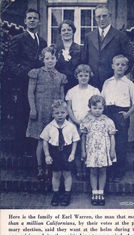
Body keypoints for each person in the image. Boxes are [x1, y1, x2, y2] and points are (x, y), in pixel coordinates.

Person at [2, 8, 47, 156]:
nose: (32, 20)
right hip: (23, 84)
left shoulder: (43, 42)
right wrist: (25, 73)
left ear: (39, 22)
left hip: (39, 86)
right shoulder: (18, 39)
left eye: (35, 18)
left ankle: (33, 148)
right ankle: (20, 150)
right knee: (22, 114)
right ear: (25, 21)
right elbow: (10, 63)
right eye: (30, 18)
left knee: (36, 115)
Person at [26, 45, 67, 180]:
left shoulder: (61, 76)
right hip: (40, 111)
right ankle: (40, 167)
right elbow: (30, 93)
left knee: (53, 140)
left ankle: (51, 168)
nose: (50, 61)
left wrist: (61, 113)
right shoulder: (36, 73)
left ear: (56, 59)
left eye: (53, 58)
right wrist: (33, 108)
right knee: (40, 140)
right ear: (42, 59)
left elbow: (61, 97)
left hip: (54, 113)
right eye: (47, 58)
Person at [101, 55, 134, 180]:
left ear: (126, 68)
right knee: (107, 141)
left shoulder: (128, 83)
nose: (120, 67)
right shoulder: (107, 82)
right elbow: (102, 99)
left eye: (123, 65)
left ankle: (119, 172)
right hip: (108, 112)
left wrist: (128, 114)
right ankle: (108, 170)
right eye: (117, 64)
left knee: (120, 143)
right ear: (112, 66)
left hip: (121, 114)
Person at [81, 3, 133, 91]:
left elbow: (129, 59)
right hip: (92, 84)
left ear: (110, 16)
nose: (101, 19)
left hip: (113, 84)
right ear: (95, 18)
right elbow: (84, 60)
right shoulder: (89, 37)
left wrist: (118, 77)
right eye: (98, 17)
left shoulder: (120, 36)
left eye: (104, 16)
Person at [40, 100, 80, 206]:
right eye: (57, 113)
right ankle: (56, 194)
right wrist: (47, 155)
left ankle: (67, 194)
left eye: (62, 112)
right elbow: (44, 141)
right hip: (54, 152)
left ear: (67, 113)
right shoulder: (49, 127)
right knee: (56, 174)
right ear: (53, 114)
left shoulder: (71, 127)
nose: (60, 115)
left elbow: (75, 141)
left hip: (67, 151)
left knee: (67, 173)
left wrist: (72, 154)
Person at [65, 64, 100, 179]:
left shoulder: (94, 90)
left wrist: (86, 121)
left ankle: (87, 168)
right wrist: (76, 121)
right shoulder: (71, 91)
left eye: (86, 75)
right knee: (76, 145)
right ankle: (78, 169)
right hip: (74, 122)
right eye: (81, 75)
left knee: (87, 145)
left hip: (90, 122)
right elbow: (69, 108)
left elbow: (95, 107)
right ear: (76, 76)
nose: (83, 78)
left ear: (90, 76)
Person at [80, 95, 116, 206]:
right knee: (93, 171)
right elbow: (83, 137)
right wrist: (83, 151)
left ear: (103, 108)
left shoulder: (108, 121)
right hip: (91, 150)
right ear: (90, 107)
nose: (97, 111)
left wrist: (112, 150)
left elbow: (112, 136)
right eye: (94, 108)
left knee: (102, 171)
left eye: (100, 108)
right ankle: (94, 192)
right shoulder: (86, 120)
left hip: (103, 150)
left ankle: (101, 192)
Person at [55, 19, 81, 93]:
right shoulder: (55, 49)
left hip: (75, 86)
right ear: (60, 33)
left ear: (73, 32)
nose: (66, 32)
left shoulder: (80, 49)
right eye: (63, 30)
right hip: (58, 86)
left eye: (69, 30)